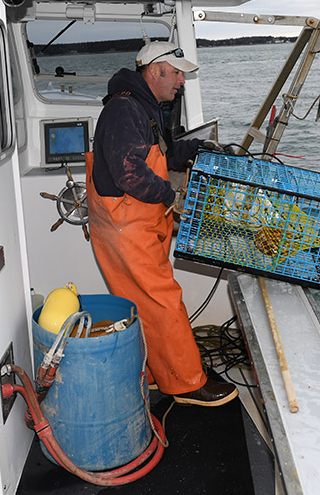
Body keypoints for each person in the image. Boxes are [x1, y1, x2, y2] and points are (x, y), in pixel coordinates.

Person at [85, 41, 238, 407]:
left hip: (134, 225)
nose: (182, 80)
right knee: (163, 301)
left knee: (141, 305)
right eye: (177, 72)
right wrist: (172, 197)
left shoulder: (142, 106)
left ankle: (155, 374)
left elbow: (164, 152)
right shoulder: (125, 110)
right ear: (155, 71)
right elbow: (128, 173)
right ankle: (186, 384)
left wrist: (200, 147)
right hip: (127, 227)